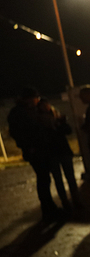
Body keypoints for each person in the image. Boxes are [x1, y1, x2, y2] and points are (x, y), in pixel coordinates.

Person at [7, 86, 63, 221]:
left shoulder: (25, 111)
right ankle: (48, 209)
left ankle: (48, 208)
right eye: (35, 98)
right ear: (29, 99)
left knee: (44, 178)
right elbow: (18, 133)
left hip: (40, 148)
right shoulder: (20, 113)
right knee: (43, 178)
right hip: (35, 150)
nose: (37, 100)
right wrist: (29, 146)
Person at [37, 96, 82, 211]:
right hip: (52, 153)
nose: (45, 107)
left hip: (63, 150)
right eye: (43, 106)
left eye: (46, 105)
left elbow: (68, 131)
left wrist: (61, 123)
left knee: (70, 177)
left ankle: (76, 200)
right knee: (58, 179)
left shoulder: (56, 116)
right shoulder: (40, 121)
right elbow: (44, 136)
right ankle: (65, 202)